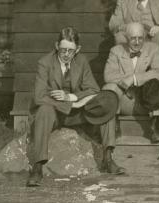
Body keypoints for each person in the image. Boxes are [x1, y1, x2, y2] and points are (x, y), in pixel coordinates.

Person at [26, 27, 124, 187]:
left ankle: (108, 158)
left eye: (70, 51)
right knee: (44, 109)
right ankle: (37, 167)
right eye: (63, 49)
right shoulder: (45, 63)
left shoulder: (81, 61)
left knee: (108, 106)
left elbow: (93, 89)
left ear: (77, 49)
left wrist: (72, 98)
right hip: (54, 113)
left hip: (77, 113)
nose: (66, 54)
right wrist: (67, 104)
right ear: (56, 45)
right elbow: (39, 96)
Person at [103, 22, 159, 144]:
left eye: (140, 38)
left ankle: (153, 128)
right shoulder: (116, 51)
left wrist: (134, 78)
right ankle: (114, 127)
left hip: (146, 103)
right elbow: (108, 76)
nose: (137, 42)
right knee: (109, 87)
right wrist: (128, 80)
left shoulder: (153, 49)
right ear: (126, 38)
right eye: (133, 38)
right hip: (124, 101)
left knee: (154, 83)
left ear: (145, 36)